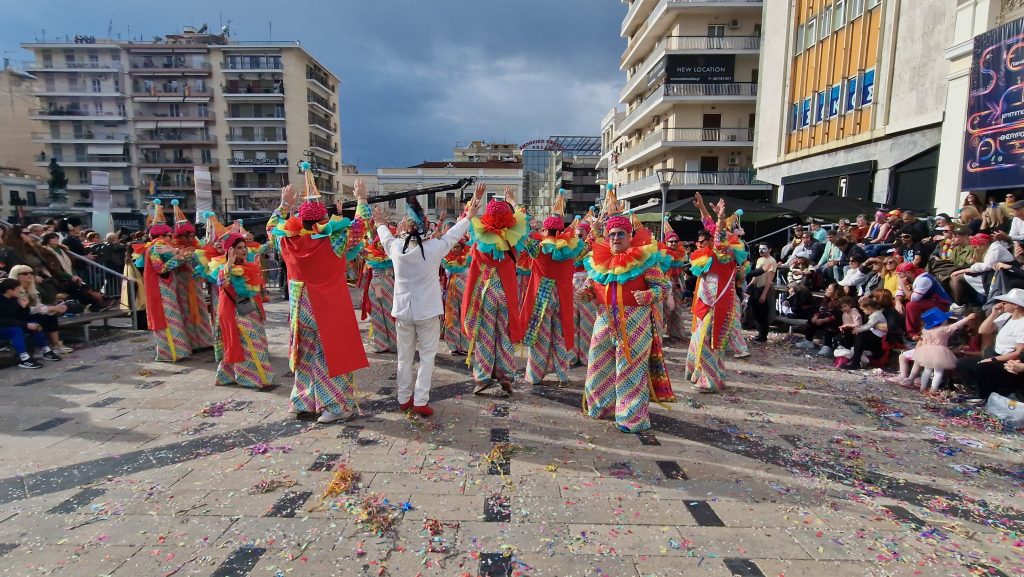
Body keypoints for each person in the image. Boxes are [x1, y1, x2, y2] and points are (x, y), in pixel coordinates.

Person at [268, 175, 369, 424]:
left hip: (299, 302)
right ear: (324, 219)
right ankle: (333, 405)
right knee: (330, 354)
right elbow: (361, 225)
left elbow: (271, 227)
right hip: (327, 305)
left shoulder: (287, 240)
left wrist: (284, 204)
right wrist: (361, 198)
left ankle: (301, 401)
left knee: (303, 352)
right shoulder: (334, 239)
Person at [375, 185, 478, 416]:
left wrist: (380, 221)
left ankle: (403, 398)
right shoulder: (433, 248)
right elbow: (453, 236)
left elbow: (384, 235)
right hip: (427, 312)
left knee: (404, 358)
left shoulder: (395, 249)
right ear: (425, 229)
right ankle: (420, 400)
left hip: (403, 311)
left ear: (404, 229)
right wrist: (469, 215)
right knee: (427, 357)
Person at [578, 215, 670, 432]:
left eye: (621, 234)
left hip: (635, 323)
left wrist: (647, 296)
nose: (616, 238)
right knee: (598, 364)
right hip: (603, 319)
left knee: (630, 370)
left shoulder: (645, 259)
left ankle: (631, 418)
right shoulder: (599, 260)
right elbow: (592, 286)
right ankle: (601, 407)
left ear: (630, 236)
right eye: (612, 235)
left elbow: (663, 288)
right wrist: (586, 292)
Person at [463, 186, 529, 397]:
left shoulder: (479, 235)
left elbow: (468, 216)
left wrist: (477, 198)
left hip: (484, 295)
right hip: (505, 294)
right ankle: (506, 374)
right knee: (504, 336)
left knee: (485, 336)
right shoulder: (514, 238)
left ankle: (483, 377)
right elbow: (523, 217)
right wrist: (513, 200)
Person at [685, 199, 748, 392]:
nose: (701, 244)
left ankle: (709, 380)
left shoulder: (725, 254)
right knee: (704, 342)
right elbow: (709, 226)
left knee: (709, 342)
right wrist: (703, 208)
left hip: (717, 305)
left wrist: (720, 217)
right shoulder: (710, 256)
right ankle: (714, 375)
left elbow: (717, 234)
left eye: (706, 241)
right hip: (706, 304)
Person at [521, 205, 584, 387]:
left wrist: (523, 213)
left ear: (546, 231)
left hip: (543, 295)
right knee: (560, 336)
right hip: (563, 296)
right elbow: (587, 245)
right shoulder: (571, 249)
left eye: (543, 229)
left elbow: (523, 235)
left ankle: (535, 375)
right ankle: (562, 375)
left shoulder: (539, 248)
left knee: (540, 336)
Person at [201, 233, 274, 389]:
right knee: (248, 344)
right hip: (233, 312)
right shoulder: (223, 268)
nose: (243, 250)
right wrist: (229, 266)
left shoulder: (249, 266)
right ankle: (249, 378)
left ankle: (226, 376)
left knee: (249, 344)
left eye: (244, 247)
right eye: (239, 247)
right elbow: (222, 282)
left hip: (250, 310)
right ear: (230, 250)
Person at [137, 202, 192, 362]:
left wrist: (177, 255)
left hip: (166, 287)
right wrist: (176, 257)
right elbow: (160, 269)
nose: (171, 238)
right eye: (169, 235)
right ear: (161, 236)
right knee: (168, 318)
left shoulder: (156, 247)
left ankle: (176, 351)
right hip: (162, 289)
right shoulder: (156, 248)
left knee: (172, 317)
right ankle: (172, 353)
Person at [955, 289, 1024, 397]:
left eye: (1005, 302)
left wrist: (992, 359)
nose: (1001, 304)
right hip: (994, 354)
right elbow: (983, 330)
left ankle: (985, 396)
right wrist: (993, 314)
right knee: (962, 364)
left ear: (1015, 305)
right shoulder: (1006, 317)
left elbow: (1018, 352)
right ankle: (975, 391)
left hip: (1007, 358)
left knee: (983, 367)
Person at [170, 200, 214, 351]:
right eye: (186, 236)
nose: (190, 239)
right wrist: (182, 257)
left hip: (195, 283)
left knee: (201, 309)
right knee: (186, 312)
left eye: (192, 236)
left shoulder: (197, 247)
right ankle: (191, 342)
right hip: (181, 283)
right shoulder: (172, 249)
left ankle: (205, 340)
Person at [896, 309, 975, 392]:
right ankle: (933, 389)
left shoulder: (926, 330)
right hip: (939, 352)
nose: (947, 320)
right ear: (940, 321)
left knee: (927, 370)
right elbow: (956, 325)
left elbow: (924, 342)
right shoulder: (944, 330)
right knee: (938, 371)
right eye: (945, 319)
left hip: (926, 350)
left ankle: (922, 388)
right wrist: (968, 318)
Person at [6, 265, 71, 354]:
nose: (29, 275)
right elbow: (27, 309)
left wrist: (54, 309)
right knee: (44, 316)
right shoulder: (12, 290)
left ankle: (56, 345)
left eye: (31, 273)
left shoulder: (31, 290)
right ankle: (43, 347)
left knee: (50, 315)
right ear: (16, 276)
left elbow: (38, 307)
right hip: (15, 317)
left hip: (27, 314)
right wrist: (51, 308)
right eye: (25, 273)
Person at [0, 278, 61, 368]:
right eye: (17, 289)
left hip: (12, 324)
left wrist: (24, 307)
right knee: (16, 330)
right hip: (3, 327)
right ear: (9, 291)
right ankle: (24, 359)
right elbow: (3, 320)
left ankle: (46, 350)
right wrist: (25, 325)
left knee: (35, 325)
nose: (19, 291)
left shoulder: (14, 299)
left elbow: (21, 317)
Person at [949, 233, 1012, 308]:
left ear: (983, 244)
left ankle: (959, 305)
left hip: (1002, 276)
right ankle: (967, 304)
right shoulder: (989, 248)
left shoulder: (995, 248)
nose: (976, 248)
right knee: (956, 278)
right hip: (991, 273)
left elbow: (986, 266)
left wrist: (962, 271)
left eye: (977, 246)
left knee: (957, 278)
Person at [361, 233, 398, 353]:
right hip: (375, 285)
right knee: (377, 314)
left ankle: (394, 344)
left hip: (390, 285)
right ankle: (380, 344)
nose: (381, 246)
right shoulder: (370, 255)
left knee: (391, 313)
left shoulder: (393, 255)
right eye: (379, 243)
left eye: (383, 244)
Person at [896, 262, 951, 338]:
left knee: (911, 305)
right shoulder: (906, 279)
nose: (898, 277)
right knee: (899, 304)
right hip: (927, 302)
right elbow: (899, 294)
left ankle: (913, 333)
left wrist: (902, 284)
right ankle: (901, 332)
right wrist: (897, 302)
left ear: (908, 273)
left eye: (899, 274)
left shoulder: (924, 279)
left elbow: (913, 299)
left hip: (941, 304)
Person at [836, 296, 888, 370]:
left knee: (860, 336)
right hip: (874, 334)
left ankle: (855, 362)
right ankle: (854, 358)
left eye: (864, 310)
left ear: (869, 308)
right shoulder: (874, 314)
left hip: (878, 337)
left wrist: (859, 329)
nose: (864, 312)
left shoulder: (877, 315)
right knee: (857, 336)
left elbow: (869, 325)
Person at [441, 234, 471, 356]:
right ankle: (453, 345)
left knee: (465, 315)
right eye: (453, 247)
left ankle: (465, 345)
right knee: (452, 316)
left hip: (465, 287)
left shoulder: (468, 257)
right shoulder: (446, 259)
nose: (455, 249)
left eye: (458, 246)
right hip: (451, 289)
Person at [572, 221, 597, 364]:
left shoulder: (595, 245)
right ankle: (571, 355)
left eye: (581, 234)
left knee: (588, 321)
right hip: (572, 284)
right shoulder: (570, 247)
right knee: (572, 320)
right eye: (576, 234)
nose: (578, 237)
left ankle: (586, 356)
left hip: (588, 283)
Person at [661, 231, 688, 341]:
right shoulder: (662, 255)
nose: (673, 243)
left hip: (676, 285)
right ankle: (657, 335)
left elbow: (680, 272)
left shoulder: (680, 254)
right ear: (666, 242)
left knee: (677, 310)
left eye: (675, 241)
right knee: (665, 310)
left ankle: (676, 334)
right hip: (665, 285)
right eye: (671, 241)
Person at [748, 244, 776, 342]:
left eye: (764, 248)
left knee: (764, 314)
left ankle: (763, 335)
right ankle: (759, 333)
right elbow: (756, 274)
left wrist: (764, 293)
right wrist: (751, 284)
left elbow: (770, 279)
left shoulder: (772, 261)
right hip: (756, 288)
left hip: (765, 288)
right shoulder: (759, 260)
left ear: (770, 249)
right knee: (756, 312)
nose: (761, 250)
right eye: (760, 248)